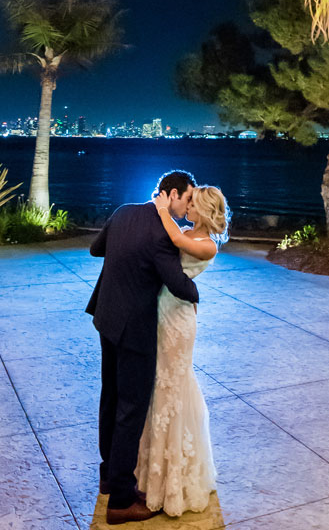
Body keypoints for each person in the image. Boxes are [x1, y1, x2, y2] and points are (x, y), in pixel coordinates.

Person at [85, 170, 200, 525]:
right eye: (187, 198)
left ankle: (108, 476)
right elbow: (178, 283)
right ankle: (120, 499)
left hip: (106, 317)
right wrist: (198, 295)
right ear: (170, 194)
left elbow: (95, 249)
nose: (189, 205)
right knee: (130, 411)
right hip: (134, 329)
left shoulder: (122, 212)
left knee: (112, 397)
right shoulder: (161, 235)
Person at [134, 184, 230, 517]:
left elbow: (176, 242)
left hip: (177, 318)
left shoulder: (206, 245)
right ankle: (153, 467)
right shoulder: (189, 229)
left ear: (202, 210)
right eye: (186, 201)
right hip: (163, 309)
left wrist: (160, 207)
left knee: (172, 386)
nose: (187, 207)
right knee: (158, 383)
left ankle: (174, 477)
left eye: (192, 204)